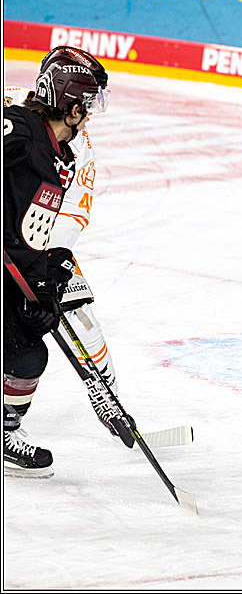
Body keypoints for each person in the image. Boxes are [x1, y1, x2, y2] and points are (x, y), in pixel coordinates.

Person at [4, 46, 111, 477]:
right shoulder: (21, 130)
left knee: (28, 355)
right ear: (70, 106)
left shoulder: (61, 156)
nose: (91, 115)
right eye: (87, 105)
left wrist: (42, 280)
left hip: (13, 264)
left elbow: (34, 229)